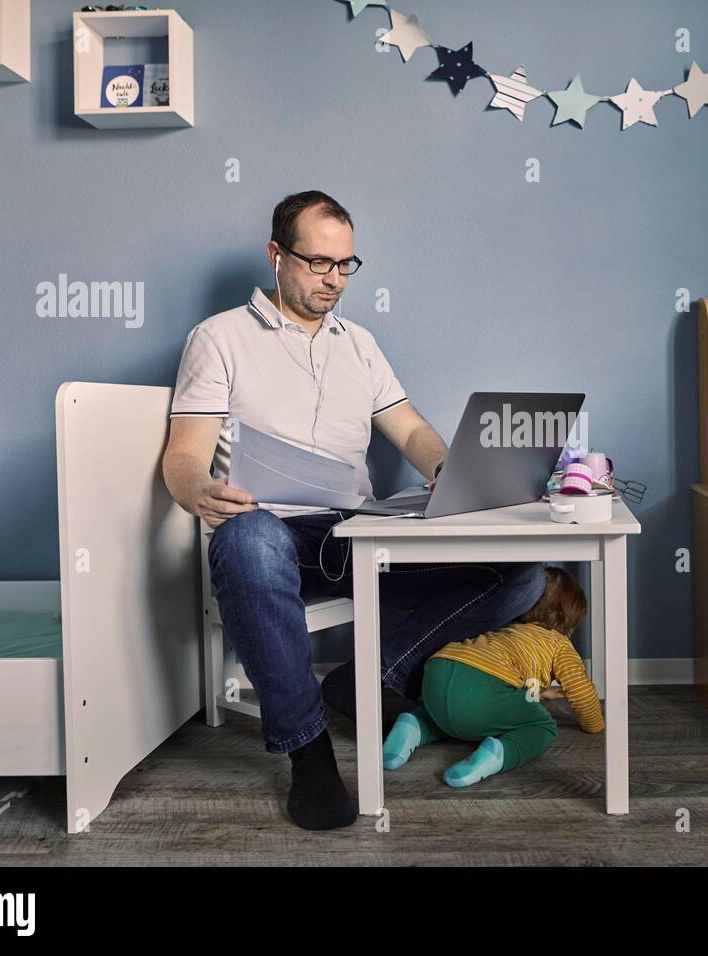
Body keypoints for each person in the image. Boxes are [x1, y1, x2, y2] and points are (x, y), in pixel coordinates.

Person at [161, 190, 545, 830]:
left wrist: (456, 473)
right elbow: (183, 455)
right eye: (318, 263)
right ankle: (309, 756)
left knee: (521, 572)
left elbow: (412, 431)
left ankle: (364, 681)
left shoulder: (360, 344)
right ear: (276, 255)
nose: (334, 279)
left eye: (346, 265)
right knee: (248, 540)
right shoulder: (218, 338)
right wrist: (196, 490)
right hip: (268, 533)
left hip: (356, 534)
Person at [382, 567, 603, 787]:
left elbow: (522, 679)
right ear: (571, 623)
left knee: (454, 713)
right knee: (542, 726)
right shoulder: (559, 645)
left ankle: (414, 725)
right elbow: (580, 689)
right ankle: (497, 755)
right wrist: (594, 724)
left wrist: (540, 694)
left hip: (438, 670)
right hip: (482, 689)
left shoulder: (506, 628)